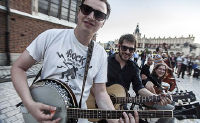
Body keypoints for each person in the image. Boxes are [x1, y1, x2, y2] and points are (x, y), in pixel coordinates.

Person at [11, 0, 138, 123]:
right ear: (79, 12)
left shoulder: (100, 54)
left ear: (103, 22)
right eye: (86, 9)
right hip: (46, 112)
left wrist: (115, 120)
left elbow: (101, 93)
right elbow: (18, 67)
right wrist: (29, 103)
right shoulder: (51, 36)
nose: (91, 16)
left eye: (99, 14)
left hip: (77, 117)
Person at [107, 34, 171, 108]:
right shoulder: (106, 62)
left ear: (134, 50)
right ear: (119, 46)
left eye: (131, 49)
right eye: (124, 48)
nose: (127, 52)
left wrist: (156, 97)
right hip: (101, 103)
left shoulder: (133, 67)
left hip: (120, 105)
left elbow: (139, 87)